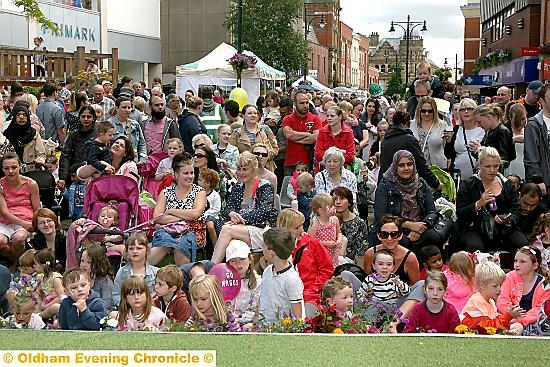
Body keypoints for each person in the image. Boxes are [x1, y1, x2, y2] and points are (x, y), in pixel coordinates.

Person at [454, 147, 527, 252]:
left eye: (495, 166)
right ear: (479, 166)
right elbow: (460, 212)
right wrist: (478, 204)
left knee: (523, 245)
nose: (492, 170)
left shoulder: (507, 184)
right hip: (474, 228)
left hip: (504, 229)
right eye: (487, 166)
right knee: (475, 246)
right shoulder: (468, 184)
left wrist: (508, 219)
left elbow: (516, 210)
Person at [212, 152, 277, 263]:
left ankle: (212, 269)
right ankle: (231, 276)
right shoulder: (238, 186)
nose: (241, 173)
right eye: (239, 169)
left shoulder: (264, 186)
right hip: (239, 228)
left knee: (226, 230)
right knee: (233, 244)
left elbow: (263, 213)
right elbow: (227, 209)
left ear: (254, 169)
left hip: (261, 229)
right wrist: (232, 214)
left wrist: (239, 217)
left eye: (245, 169)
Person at [374, 150, 444, 252]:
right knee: (404, 242)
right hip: (393, 229)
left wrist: (420, 228)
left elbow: (432, 211)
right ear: (395, 167)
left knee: (434, 237)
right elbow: (381, 217)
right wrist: (409, 225)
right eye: (401, 165)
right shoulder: (385, 186)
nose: (406, 168)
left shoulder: (421, 184)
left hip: (420, 226)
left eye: (409, 164)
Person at [150, 152, 206, 266]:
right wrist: (184, 216)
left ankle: (183, 279)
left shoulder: (199, 192)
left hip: (193, 231)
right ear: (175, 174)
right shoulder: (166, 192)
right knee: (165, 242)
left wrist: (171, 211)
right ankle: (141, 274)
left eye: (191, 173)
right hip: (169, 230)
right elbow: (157, 217)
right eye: (185, 173)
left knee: (181, 245)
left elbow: (195, 214)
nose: (190, 176)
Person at [277, 209, 333, 312]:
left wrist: (313, 289)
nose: (302, 230)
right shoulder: (277, 247)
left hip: (310, 295)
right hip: (284, 296)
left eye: (302, 225)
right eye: (296, 228)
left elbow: (327, 270)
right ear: (284, 229)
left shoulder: (311, 242)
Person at [380, 111, 440, 190]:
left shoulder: (385, 140)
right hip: (403, 186)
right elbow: (421, 165)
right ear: (406, 123)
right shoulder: (409, 140)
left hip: (386, 185)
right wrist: (435, 183)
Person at [460, 262, 525, 334]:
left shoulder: (490, 301)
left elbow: (494, 321)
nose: (499, 289)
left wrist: (510, 317)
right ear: (482, 286)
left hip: (488, 330)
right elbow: (486, 327)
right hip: (477, 333)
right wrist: (508, 316)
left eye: (500, 285)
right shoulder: (476, 301)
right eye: (495, 286)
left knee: (517, 326)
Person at [497, 246, 550, 334]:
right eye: (515, 261)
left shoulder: (544, 285)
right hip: (509, 319)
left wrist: (520, 320)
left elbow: (539, 309)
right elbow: (502, 301)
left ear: (534, 265)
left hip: (533, 323)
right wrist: (511, 316)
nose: (517, 264)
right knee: (513, 326)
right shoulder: (509, 277)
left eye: (522, 262)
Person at [0, 152, 40, 265]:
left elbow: (37, 209)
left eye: (14, 167)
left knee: (19, 238)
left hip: (27, 220)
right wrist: (23, 223)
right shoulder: (0, 185)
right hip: (5, 221)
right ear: (2, 169)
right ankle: (17, 262)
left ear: (20, 166)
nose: (10, 171)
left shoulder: (31, 184)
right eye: (6, 168)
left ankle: (15, 266)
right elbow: (4, 212)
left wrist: (34, 224)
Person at [259, 227, 305, 324]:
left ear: (271, 253)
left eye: (264, 246)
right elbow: (262, 299)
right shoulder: (268, 271)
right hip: (265, 326)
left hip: (283, 330)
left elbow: (298, 314)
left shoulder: (291, 280)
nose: (262, 248)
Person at [113, 232, 159, 308]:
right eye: (131, 248)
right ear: (127, 251)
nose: (135, 251)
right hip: (127, 312)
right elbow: (116, 295)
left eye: (139, 248)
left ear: (147, 250)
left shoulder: (156, 272)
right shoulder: (122, 272)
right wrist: (128, 305)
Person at [444, 98, 486, 181]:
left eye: (469, 109)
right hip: (458, 176)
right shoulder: (456, 129)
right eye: (462, 110)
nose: (466, 112)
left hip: (479, 176)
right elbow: (448, 154)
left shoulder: (483, 129)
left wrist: (480, 148)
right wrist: (449, 141)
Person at [58, 105, 98, 190]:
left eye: (89, 116)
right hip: (73, 176)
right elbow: (65, 155)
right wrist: (63, 177)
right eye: (83, 116)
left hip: (93, 176)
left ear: (94, 118)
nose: (86, 119)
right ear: (79, 118)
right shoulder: (73, 135)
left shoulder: (98, 135)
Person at [282, 91, 322, 174]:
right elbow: (288, 134)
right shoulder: (287, 119)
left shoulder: (315, 118)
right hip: (290, 163)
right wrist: (307, 134)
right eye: (301, 103)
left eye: (307, 102)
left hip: (307, 163)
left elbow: (315, 138)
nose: (305, 105)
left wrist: (294, 137)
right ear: (295, 104)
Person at [230, 104, 278, 171]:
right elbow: (232, 152)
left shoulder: (265, 129)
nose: (253, 115)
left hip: (266, 168)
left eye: (255, 113)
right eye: (249, 113)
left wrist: (263, 155)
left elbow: (275, 149)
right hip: (246, 169)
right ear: (243, 116)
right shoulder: (237, 133)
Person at [524, 84, 550, 206]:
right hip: (544, 185)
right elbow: (531, 155)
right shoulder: (534, 124)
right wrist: (538, 179)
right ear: (542, 101)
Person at [225, 239, 261, 324]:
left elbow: (256, 309)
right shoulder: (224, 281)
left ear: (249, 259)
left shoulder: (258, 282)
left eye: (242, 259)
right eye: (233, 261)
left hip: (248, 324)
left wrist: (240, 319)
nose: (238, 264)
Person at [332, 187, 368, 266]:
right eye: (335, 199)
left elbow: (361, 253)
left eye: (341, 199)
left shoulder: (359, 223)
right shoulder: (325, 221)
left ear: (349, 202)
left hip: (350, 265)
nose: (338, 202)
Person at [472, 104, 515, 170]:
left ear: (488, 117)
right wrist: (476, 150)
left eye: (479, 122)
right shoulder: (489, 132)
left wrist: (483, 150)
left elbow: (504, 158)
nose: (478, 125)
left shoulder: (502, 131)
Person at [4, 104, 46, 171]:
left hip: (30, 171)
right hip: (12, 171)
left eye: (24, 115)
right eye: (18, 115)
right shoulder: (7, 134)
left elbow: (41, 153)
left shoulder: (34, 134)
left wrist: (40, 160)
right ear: (14, 117)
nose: (21, 117)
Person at [309, 194, 346, 268]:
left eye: (333, 205)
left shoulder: (335, 220)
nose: (333, 208)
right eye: (330, 206)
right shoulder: (316, 223)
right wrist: (325, 243)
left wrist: (339, 240)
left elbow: (339, 233)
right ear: (320, 210)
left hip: (333, 254)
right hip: (320, 255)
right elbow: (310, 241)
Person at [314, 106, 355, 173]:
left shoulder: (348, 132)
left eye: (332, 116)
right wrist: (341, 151)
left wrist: (327, 154)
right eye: (327, 116)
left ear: (340, 117)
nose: (329, 118)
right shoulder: (322, 131)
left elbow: (350, 156)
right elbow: (317, 154)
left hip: (343, 171)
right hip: (324, 170)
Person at [410, 96, 447, 169]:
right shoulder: (411, 125)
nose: (426, 114)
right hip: (415, 168)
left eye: (430, 111)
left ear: (435, 111)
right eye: (423, 111)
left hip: (437, 168)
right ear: (419, 110)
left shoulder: (442, 125)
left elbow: (446, 146)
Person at [109, 96, 147, 164]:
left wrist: (142, 159)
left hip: (133, 163)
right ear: (117, 108)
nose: (127, 110)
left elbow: (142, 143)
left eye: (129, 108)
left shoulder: (135, 124)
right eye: (124, 107)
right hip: (114, 163)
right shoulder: (109, 124)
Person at [80, 244, 114, 310]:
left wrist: (86, 308)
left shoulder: (105, 280)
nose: (84, 265)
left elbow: (107, 304)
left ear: (97, 264)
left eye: (89, 262)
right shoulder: (78, 278)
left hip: (100, 312)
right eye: (82, 261)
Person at [34, 248, 64, 319]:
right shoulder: (40, 277)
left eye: (35, 264)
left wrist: (46, 306)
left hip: (53, 304)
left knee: (52, 309)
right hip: (44, 302)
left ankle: (39, 317)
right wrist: (40, 303)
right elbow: (37, 292)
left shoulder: (55, 278)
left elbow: (61, 297)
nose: (34, 266)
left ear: (44, 265)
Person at [198, 167, 221, 246]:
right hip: (198, 215)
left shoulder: (215, 195)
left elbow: (216, 209)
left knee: (210, 225)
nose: (198, 182)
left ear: (207, 183)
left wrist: (205, 214)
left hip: (212, 216)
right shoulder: (197, 193)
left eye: (200, 180)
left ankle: (216, 246)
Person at [505, 103, 527, 179]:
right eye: (518, 120)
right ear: (510, 118)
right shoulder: (505, 130)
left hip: (527, 166)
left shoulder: (529, 128)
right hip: (510, 167)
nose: (521, 122)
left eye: (523, 119)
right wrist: (513, 140)